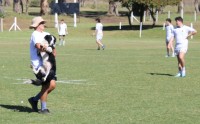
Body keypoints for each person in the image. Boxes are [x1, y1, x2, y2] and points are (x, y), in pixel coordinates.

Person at [28, 16, 57, 114]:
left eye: (43, 23)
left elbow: (53, 46)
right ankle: (43, 108)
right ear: (36, 25)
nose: (43, 24)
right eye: (41, 23)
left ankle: (34, 100)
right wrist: (46, 48)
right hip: (38, 64)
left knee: (52, 85)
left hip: (49, 64)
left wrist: (53, 52)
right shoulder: (35, 34)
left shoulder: (47, 34)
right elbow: (38, 46)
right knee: (46, 85)